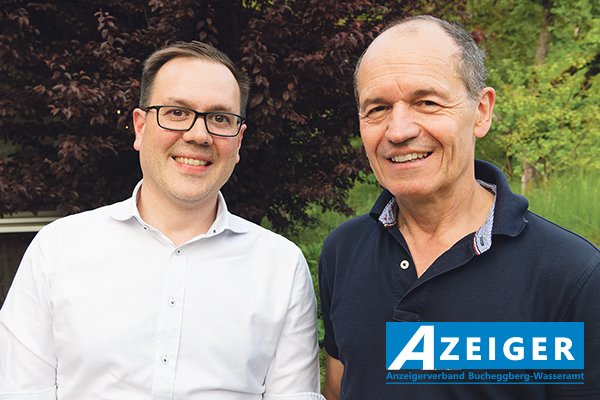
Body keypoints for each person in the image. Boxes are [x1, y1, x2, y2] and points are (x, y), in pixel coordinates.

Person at [0, 41, 324, 400]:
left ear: (239, 140)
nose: (199, 135)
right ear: (140, 127)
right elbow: (20, 392)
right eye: (176, 112)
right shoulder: (57, 250)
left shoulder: (281, 266)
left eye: (220, 118)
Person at [318, 15, 600, 400]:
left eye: (427, 102)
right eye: (378, 108)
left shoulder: (572, 275)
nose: (398, 131)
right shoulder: (343, 251)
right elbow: (338, 386)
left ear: (481, 112)